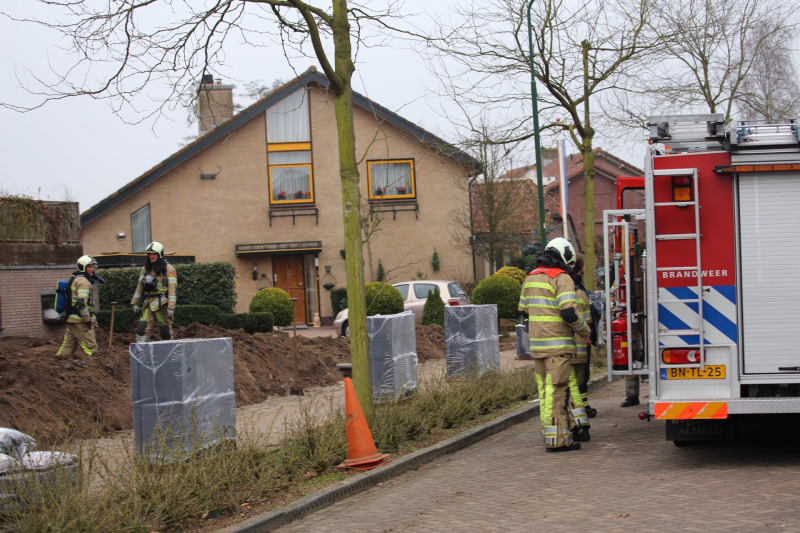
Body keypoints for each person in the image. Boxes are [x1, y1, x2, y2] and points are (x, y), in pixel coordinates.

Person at [519, 237, 591, 452]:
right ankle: (559, 441)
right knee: (559, 391)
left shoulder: (530, 278)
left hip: (538, 346)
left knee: (545, 392)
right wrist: (585, 331)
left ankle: (552, 433)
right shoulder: (562, 278)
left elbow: (523, 313)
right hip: (558, 347)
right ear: (566, 257)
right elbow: (569, 312)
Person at [567, 254, 593, 442]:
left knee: (570, 389)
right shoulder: (582, 294)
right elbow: (589, 322)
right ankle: (582, 421)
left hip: (566, 348)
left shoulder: (562, 294)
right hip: (582, 350)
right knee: (578, 387)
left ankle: (577, 424)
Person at [132, 242, 177, 343]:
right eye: (149, 254)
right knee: (142, 330)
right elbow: (139, 286)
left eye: (154, 254)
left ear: (159, 254)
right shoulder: (145, 269)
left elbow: (172, 289)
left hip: (162, 305)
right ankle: (141, 353)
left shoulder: (168, 269)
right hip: (148, 303)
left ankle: (168, 354)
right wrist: (135, 303)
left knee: (165, 332)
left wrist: (171, 307)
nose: (151, 256)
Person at [56, 255, 100, 357]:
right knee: (92, 350)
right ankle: (96, 370)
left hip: (72, 320)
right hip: (80, 321)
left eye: (93, 266)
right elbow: (82, 303)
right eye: (89, 266)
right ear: (82, 267)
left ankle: (56, 368)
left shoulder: (75, 279)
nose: (92, 269)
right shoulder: (83, 281)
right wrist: (87, 320)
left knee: (66, 350)